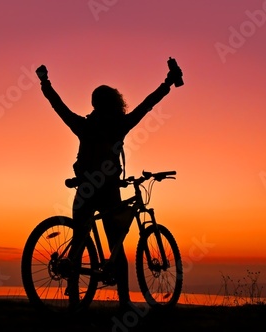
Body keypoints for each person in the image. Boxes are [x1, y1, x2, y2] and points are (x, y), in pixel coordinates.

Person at [35, 61, 182, 310]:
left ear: (94, 104)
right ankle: (124, 302)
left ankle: (74, 300)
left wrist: (45, 83)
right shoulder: (117, 126)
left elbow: (59, 108)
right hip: (107, 191)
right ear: (114, 103)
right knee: (116, 246)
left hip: (85, 188)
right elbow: (146, 106)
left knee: (80, 240)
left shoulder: (85, 125)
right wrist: (167, 83)